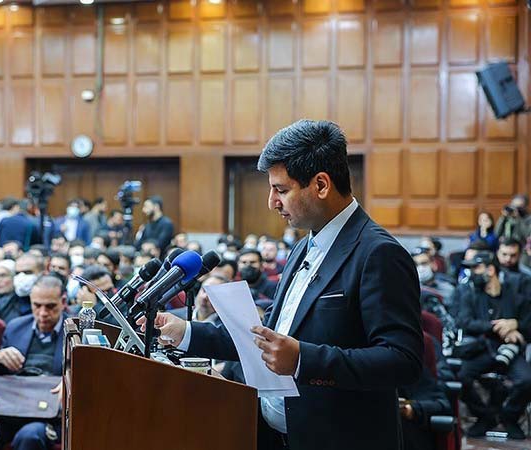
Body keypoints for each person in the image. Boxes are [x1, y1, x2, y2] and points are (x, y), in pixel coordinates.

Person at [141, 120, 422, 450]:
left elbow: (402, 360)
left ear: (320, 185)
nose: (272, 202)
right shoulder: (305, 246)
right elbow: (267, 336)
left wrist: (304, 359)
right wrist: (186, 332)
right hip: (276, 436)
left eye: (282, 190)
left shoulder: (378, 253)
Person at [0, 276, 66, 450]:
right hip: (11, 408)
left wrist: (69, 383)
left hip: (49, 413)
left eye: (50, 306)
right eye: (37, 305)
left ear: (63, 302)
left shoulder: (75, 331)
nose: (42, 313)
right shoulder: (16, 327)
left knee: (30, 435)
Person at [455, 252, 531, 439]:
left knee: (527, 380)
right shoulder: (469, 295)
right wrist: (497, 326)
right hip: (482, 349)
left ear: (490, 269)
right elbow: (464, 322)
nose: (472, 273)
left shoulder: (514, 295)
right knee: (461, 378)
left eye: (476, 268)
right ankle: (485, 416)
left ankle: (509, 416)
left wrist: (515, 325)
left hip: (510, 351)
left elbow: (528, 325)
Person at [0, 254, 43, 324]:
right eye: (17, 273)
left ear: (42, 274)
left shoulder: (53, 305)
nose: (21, 277)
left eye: (27, 272)